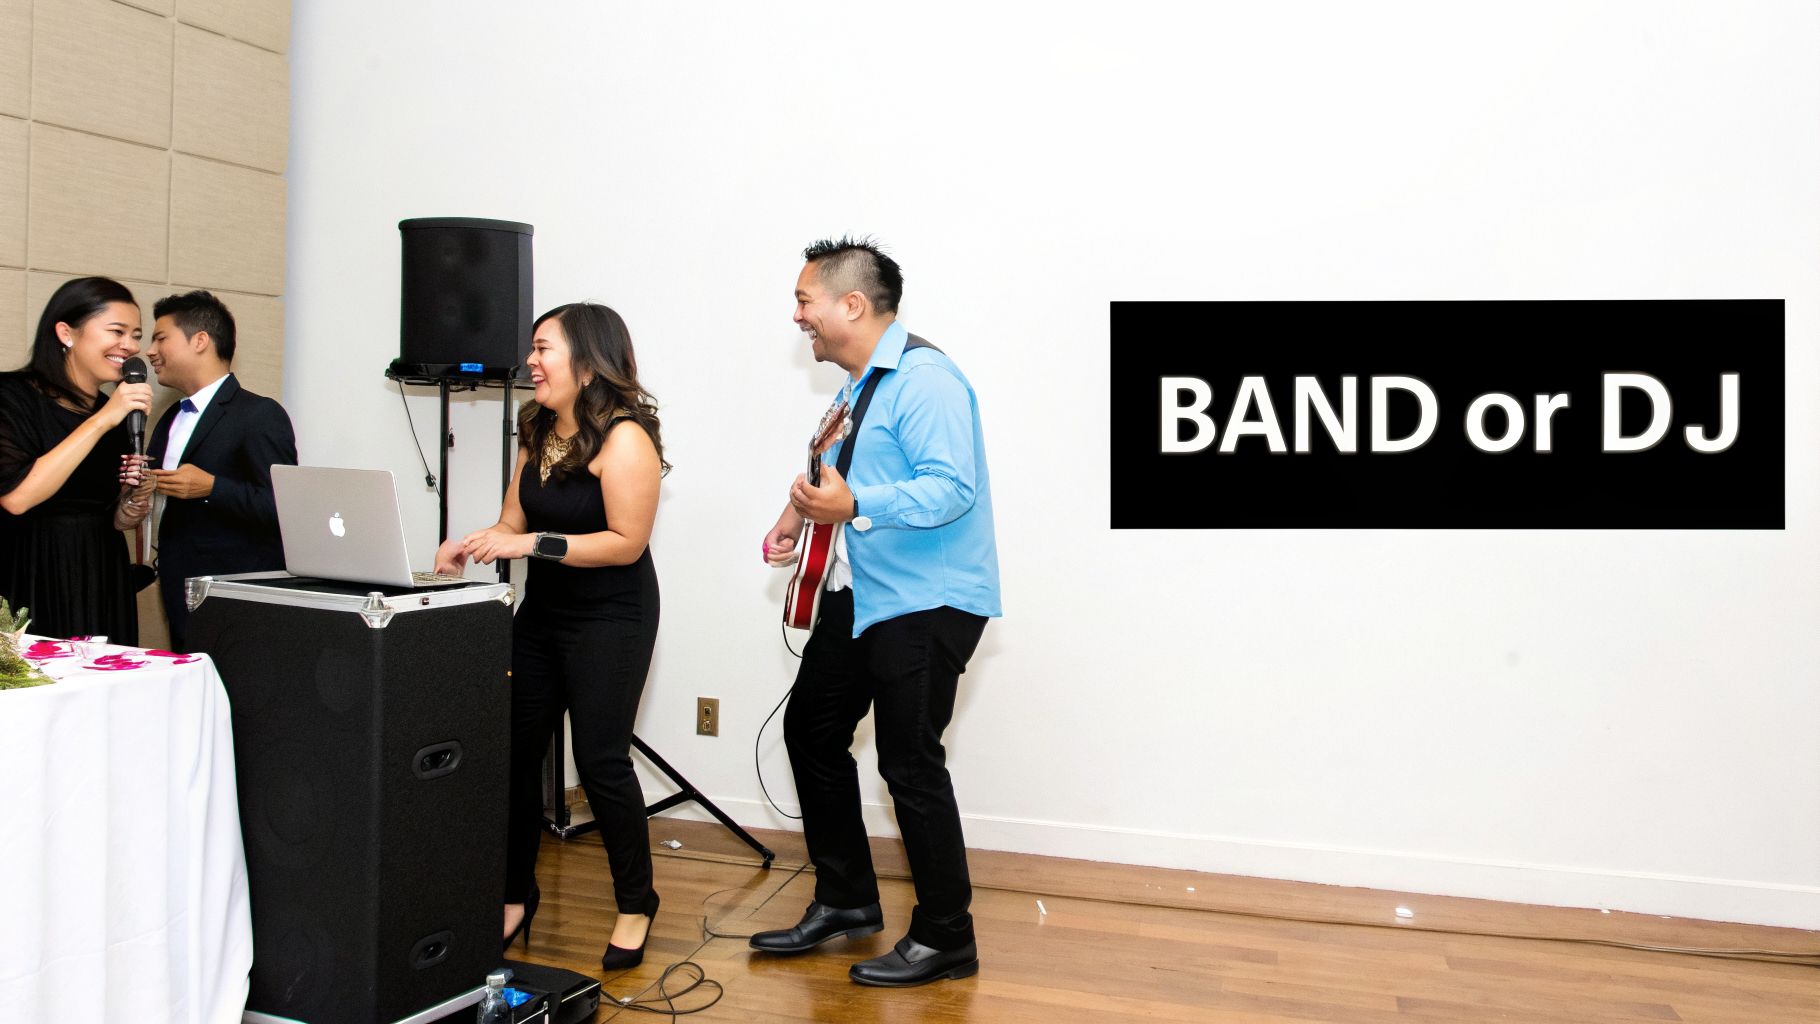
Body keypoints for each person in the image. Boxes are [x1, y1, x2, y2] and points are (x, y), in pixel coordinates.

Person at [753, 237, 1001, 986]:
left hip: (926, 600)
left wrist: (856, 502)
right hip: (861, 595)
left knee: (909, 764)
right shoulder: (859, 386)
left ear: (852, 304)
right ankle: (847, 901)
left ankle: (947, 937)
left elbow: (951, 487)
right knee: (811, 732)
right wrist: (797, 514)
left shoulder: (926, 380)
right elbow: (836, 470)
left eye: (805, 300)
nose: (798, 315)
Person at [434, 302, 666, 969]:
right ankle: (514, 895)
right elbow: (514, 520)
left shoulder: (626, 437)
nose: (530, 362)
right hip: (543, 615)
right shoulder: (536, 427)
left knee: (600, 761)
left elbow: (626, 543)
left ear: (587, 362)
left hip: (612, 618)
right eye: (532, 349)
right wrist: (474, 541)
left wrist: (534, 543)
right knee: (513, 752)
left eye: (544, 349)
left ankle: (636, 902)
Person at [0, 277, 155, 643]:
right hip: (31, 570)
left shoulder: (114, 412)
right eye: (117, 331)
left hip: (101, 574)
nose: (130, 346)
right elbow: (17, 498)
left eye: (136, 335)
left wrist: (129, 506)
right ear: (66, 333)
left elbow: (107, 514)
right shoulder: (12, 396)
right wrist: (102, 420)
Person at [144, 290, 298, 652]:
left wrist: (212, 487)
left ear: (200, 341)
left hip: (236, 598)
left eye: (160, 338)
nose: (150, 351)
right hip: (179, 590)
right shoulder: (170, 417)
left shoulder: (259, 414)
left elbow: (283, 508)